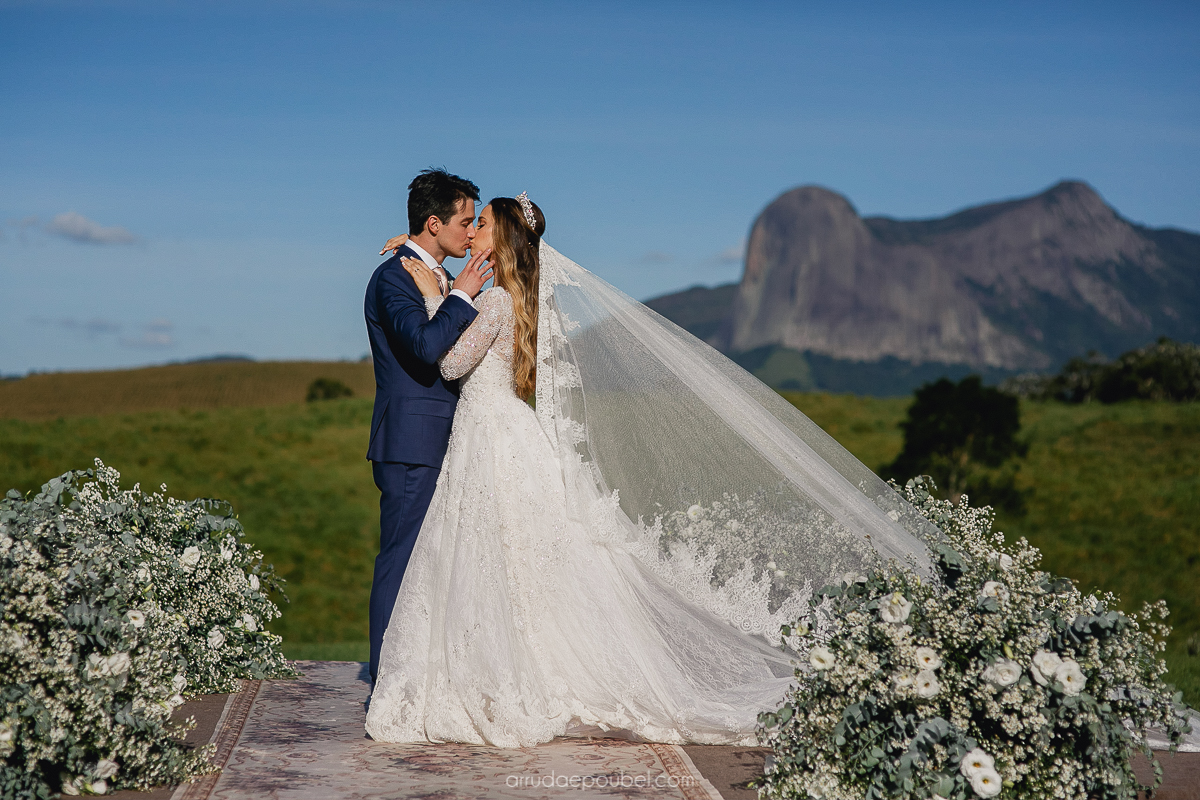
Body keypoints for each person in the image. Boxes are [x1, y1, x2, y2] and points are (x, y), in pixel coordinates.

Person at [364, 194, 937, 747]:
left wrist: (446, 296)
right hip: (507, 432)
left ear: (503, 239)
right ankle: (511, 662)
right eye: (470, 221)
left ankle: (490, 671)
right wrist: (425, 267)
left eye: (481, 222)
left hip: (488, 433)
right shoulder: (518, 299)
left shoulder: (489, 302)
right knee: (506, 557)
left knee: (486, 554)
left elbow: (451, 362)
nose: (473, 231)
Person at [363, 168, 496, 683]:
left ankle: (422, 671)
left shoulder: (435, 270)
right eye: (465, 222)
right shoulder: (394, 277)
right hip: (412, 442)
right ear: (434, 222)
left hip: (450, 441)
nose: (471, 232)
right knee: (401, 561)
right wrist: (459, 295)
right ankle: (387, 681)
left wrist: (449, 283)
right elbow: (422, 347)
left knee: (435, 564)